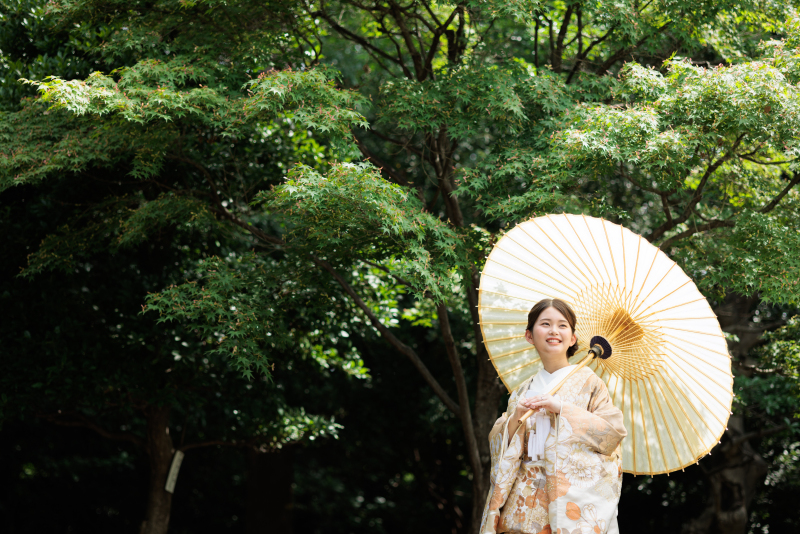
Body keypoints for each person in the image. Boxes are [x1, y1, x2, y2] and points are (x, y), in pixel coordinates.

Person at [479, 298, 627, 534]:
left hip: (565, 497)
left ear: (573, 338)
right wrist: (515, 419)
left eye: (562, 325)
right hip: (521, 498)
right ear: (529, 335)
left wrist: (562, 408)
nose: (554, 331)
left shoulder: (589, 383)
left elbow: (612, 433)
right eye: (545, 324)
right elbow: (498, 443)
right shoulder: (522, 390)